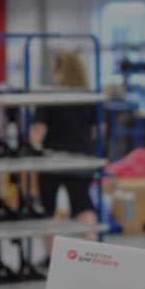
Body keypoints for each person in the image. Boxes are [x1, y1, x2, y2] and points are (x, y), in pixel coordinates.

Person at [29, 50, 98, 241]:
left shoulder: (50, 96)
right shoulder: (89, 97)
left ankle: (50, 255)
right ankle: (92, 248)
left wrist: (30, 152)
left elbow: (38, 131)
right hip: (81, 159)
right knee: (82, 205)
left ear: (59, 71)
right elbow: (98, 130)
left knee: (47, 209)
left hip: (52, 160)